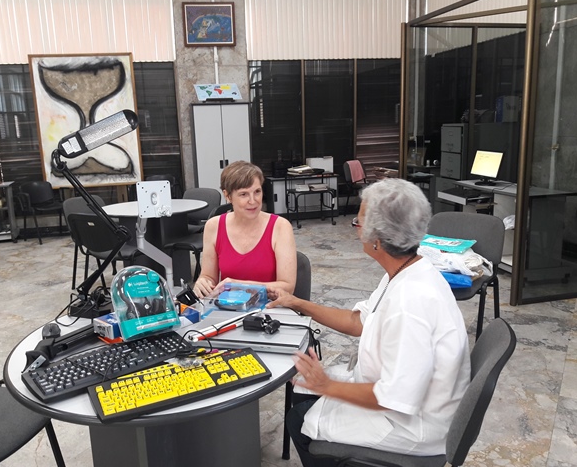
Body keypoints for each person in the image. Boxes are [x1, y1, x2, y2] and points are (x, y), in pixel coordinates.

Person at [266, 178, 471, 466]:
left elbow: (393, 397)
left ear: (377, 238)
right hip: (406, 399)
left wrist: (325, 385)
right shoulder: (407, 269)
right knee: (303, 394)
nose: (356, 228)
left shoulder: (411, 304)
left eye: (358, 222)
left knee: (299, 419)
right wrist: (298, 303)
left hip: (414, 426)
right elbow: (357, 320)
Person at [193, 160, 297, 297]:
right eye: (244, 194)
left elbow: (287, 288)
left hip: (270, 310)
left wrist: (236, 286)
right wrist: (202, 282)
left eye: (257, 192)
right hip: (229, 309)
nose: (253, 201)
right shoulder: (214, 226)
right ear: (228, 196)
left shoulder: (280, 227)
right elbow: (209, 277)